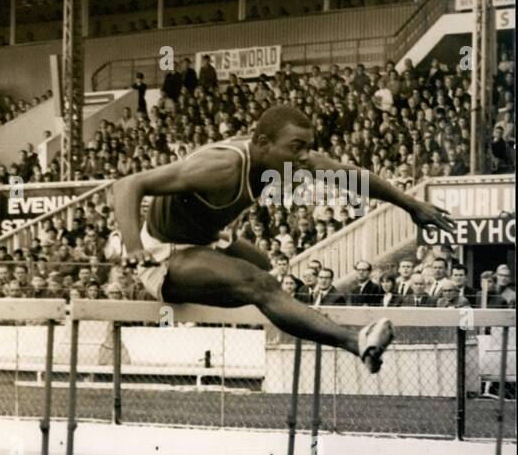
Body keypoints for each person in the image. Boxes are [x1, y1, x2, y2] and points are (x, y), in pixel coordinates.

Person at [110, 104, 455, 373]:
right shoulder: (221, 167)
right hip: (163, 253)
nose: (304, 155)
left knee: (270, 271)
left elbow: (350, 176)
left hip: (207, 239)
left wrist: (409, 204)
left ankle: (277, 316)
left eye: (308, 147)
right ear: (262, 143)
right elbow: (128, 185)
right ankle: (355, 342)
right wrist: (134, 248)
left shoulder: (284, 160)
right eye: (297, 147)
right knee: (260, 284)